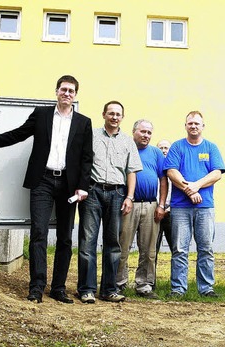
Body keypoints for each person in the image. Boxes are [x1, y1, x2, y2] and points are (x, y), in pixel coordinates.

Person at [0, 75, 93, 304]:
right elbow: (16, 135)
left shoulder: (84, 122)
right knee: (38, 234)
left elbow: (87, 159)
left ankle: (58, 288)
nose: (67, 93)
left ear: (76, 95)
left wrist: (82, 187)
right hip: (42, 181)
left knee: (65, 238)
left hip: (69, 186)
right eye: (63, 89)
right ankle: (36, 287)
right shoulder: (42, 115)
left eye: (71, 91)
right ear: (56, 91)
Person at [77, 101, 141, 304]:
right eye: (111, 113)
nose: (114, 117)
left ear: (122, 117)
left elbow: (131, 172)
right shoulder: (91, 136)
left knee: (113, 244)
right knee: (88, 242)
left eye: (118, 114)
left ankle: (108, 290)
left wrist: (130, 197)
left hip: (117, 194)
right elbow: (81, 163)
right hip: (93, 192)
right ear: (103, 114)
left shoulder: (128, 142)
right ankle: (86, 289)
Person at [164, 111, 225, 298]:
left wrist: (196, 186)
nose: (193, 126)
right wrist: (189, 191)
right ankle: (178, 289)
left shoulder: (211, 148)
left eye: (197, 123)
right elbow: (171, 172)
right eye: (190, 123)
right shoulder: (177, 147)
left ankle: (206, 288)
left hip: (205, 207)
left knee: (205, 248)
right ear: (185, 126)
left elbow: (217, 173)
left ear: (202, 126)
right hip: (180, 207)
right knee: (180, 249)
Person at [117, 119, 167, 299]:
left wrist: (161, 204)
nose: (146, 135)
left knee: (148, 249)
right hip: (128, 204)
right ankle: (118, 283)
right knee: (122, 246)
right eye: (143, 131)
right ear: (133, 131)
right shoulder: (125, 148)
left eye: (149, 133)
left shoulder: (156, 153)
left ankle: (144, 284)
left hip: (151, 205)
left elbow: (163, 180)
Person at [155, 139, 172, 257]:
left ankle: (176, 275)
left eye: (166, 148)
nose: (163, 150)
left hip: (171, 211)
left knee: (175, 245)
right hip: (155, 211)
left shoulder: (175, 169)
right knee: (152, 247)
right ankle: (151, 275)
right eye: (161, 148)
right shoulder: (154, 168)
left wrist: (169, 208)